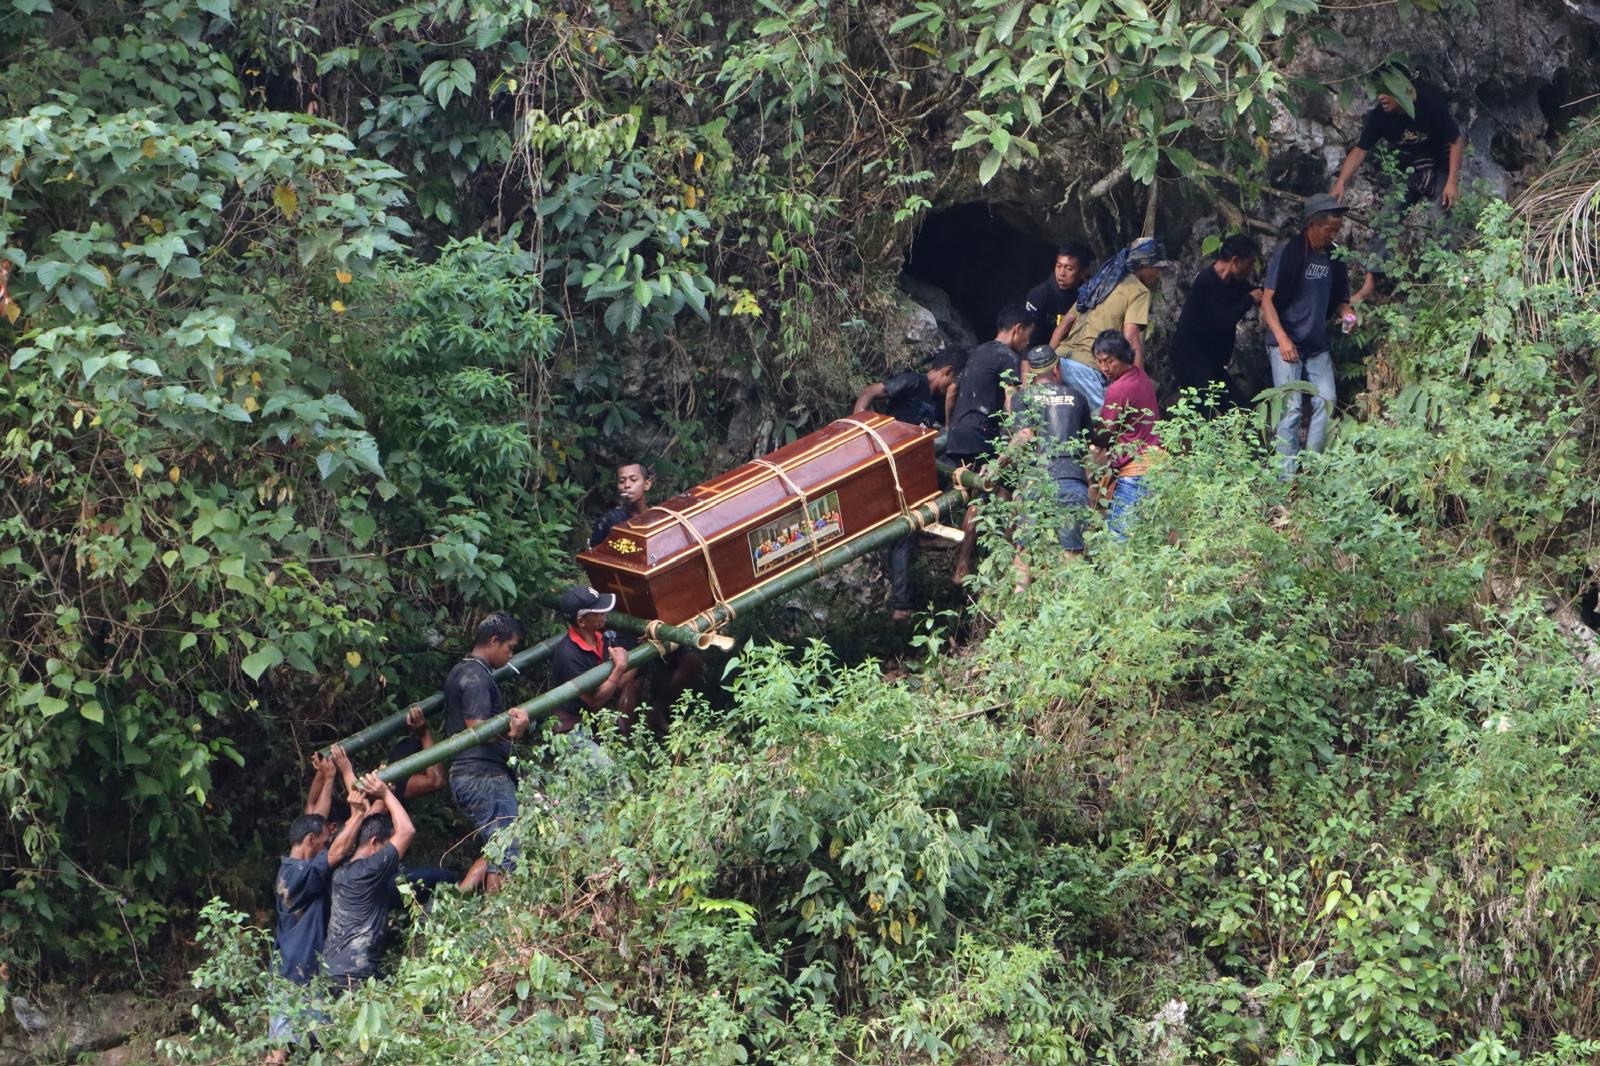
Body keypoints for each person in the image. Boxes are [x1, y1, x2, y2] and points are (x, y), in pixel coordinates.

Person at [1331, 68, 1465, 299]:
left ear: (1404, 89)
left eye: (1387, 91)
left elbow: (1456, 141)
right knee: (1387, 219)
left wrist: (1452, 180)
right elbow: (1361, 150)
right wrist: (1341, 182)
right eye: (1379, 92)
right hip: (1409, 170)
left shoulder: (1430, 105)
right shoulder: (1380, 116)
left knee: (1440, 217)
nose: (1382, 97)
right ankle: (1370, 283)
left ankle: (1445, 280)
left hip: (1440, 166)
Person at [854, 351, 965, 619]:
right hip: (892, 464)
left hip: (912, 469)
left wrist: (949, 406)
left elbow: (944, 433)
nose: (953, 388)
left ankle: (925, 535)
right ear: (947, 371)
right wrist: (859, 422)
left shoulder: (938, 401)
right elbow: (871, 391)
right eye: (954, 381)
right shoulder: (914, 382)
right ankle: (901, 606)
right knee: (903, 535)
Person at [265, 747, 358, 1062]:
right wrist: (358, 814)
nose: (326, 841)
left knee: (296, 1044)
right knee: (281, 1052)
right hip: (298, 969)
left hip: (288, 963)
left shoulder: (291, 866)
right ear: (309, 842)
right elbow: (338, 851)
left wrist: (328, 777)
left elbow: (314, 817)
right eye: (321, 841)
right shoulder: (302, 875)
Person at [1260, 195, 1358, 476]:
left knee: (1327, 401)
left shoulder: (1334, 258)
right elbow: (1267, 302)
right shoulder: (1290, 253)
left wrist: (1348, 315)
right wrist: (1282, 340)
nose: (1333, 236)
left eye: (1337, 230)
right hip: (1286, 341)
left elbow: (1340, 301)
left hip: (1316, 344)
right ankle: (1286, 477)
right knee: (1289, 409)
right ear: (1312, 225)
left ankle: (1313, 469)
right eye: (1329, 230)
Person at [441, 612, 529, 895]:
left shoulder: (463, 671)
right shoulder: (475, 676)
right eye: (509, 648)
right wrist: (512, 730)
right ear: (493, 641)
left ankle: (475, 907)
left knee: (499, 845)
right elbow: (476, 727)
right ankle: (503, 914)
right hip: (482, 774)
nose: (510, 655)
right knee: (507, 847)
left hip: (472, 773)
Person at [945, 304, 1033, 584]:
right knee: (985, 494)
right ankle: (965, 566)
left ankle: (969, 561)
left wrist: (950, 427)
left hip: (960, 433)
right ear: (1017, 329)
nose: (1027, 342)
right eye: (1028, 335)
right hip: (982, 433)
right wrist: (1018, 433)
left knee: (975, 493)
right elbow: (1010, 398)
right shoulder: (1007, 357)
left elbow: (952, 390)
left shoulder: (978, 351)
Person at [322, 773, 416, 990]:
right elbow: (406, 831)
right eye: (386, 844)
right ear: (374, 843)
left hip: (330, 971)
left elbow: (367, 822)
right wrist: (385, 794)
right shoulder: (369, 870)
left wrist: (382, 796)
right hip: (354, 976)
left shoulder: (342, 868)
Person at [1009, 345, 1093, 584]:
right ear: (1057, 369)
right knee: (1072, 557)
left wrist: (998, 463)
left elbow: (1024, 435)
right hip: (1071, 480)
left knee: (1023, 556)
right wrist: (1093, 483)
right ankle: (1069, 604)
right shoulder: (1077, 397)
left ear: (1031, 373)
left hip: (1036, 481)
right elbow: (1086, 445)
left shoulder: (1022, 397)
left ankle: (1019, 604)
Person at [1167, 234, 1263, 414]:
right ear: (1235, 261)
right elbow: (1223, 320)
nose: (1251, 270)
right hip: (1189, 358)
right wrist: (1249, 299)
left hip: (1212, 361)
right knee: (1205, 412)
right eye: (1249, 264)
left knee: (1240, 411)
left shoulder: (1233, 282)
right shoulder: (1206, 281)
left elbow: (1252, 291)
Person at [1058, 237, 1176, 372]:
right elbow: (1131, 339)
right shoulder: (1139, 291)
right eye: (1158, 268)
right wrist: (1138, 379)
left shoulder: (1098, 282)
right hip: (1089, 367)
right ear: (1144, 266)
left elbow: (1063, 326)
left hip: (1059, 361)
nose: (1158, 274)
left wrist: (1046, 366)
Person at [1091, 331, 1163, 536]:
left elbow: (1104, 435)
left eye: (1110, 361)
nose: (1104, 368)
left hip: (1136, 469)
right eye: (1099, 362)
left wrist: (1082, 427)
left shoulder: (1119, 389)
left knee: (1119, 537)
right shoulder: (1140, 375)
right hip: (1156, 461)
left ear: (1123, 357)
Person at [547, 586, 640, 738]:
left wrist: (643, 649)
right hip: (573, 726)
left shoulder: (601, 637)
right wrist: (619, 668)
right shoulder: (569, 656)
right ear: (581, 621)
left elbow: (618, 682)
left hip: (598, 718)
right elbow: (595, 700)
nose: (604, 615)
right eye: (598, 612)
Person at [1023, 241, 1096, 348]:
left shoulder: (1093, 292)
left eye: (1069, 268)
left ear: (1083, 272)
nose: (1061, 273)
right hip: (1043, 350)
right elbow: (1029, 341)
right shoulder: (1039, 295)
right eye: (1058, 266)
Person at [590, 463, 654, 548]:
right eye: (621, 481)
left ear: (647, 484)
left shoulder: (658, 517)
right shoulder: (609, 521)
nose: (627, 485)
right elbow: (595, 554)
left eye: (633, 480)